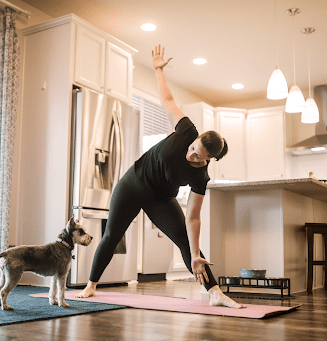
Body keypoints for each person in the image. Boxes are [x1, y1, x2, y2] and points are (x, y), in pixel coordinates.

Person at [76, 45, 243, 309]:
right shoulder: (187, 129)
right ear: (195, 138)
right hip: (132, 184)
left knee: (186, 242)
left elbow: (193, 217)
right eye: (193, 149)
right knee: (111, 235)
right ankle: (91, 285)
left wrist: (197, 253)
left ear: (208, 159)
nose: (192, 156)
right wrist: (158, 70)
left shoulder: (201, 178)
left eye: (199, 157)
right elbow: (167, 100)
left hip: (161, 199)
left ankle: (214, 293)